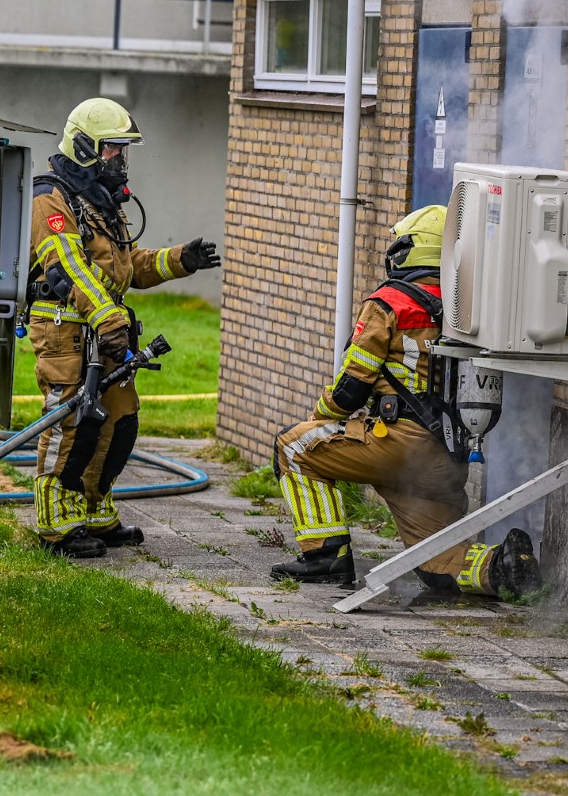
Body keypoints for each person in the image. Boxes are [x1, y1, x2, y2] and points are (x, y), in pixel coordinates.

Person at [270, 205, 541, 598]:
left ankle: (324, 558)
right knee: (436, 564)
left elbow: (351, 386)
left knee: (292, 447)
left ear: (414, 249)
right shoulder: (469, 303)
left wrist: (318, 423)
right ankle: (502, 566)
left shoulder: (389, 303)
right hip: (447, 458)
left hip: (395, 447)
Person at [27, 97, 221, 558]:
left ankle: (95, 512)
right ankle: (56, 525)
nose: (121, 160)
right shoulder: (51, 197)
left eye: (123, 150)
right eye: (113, 149)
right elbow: (69, 268)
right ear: (85, 147)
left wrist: (179, 261)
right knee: (71, 424)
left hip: (104, 332)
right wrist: (109, 317)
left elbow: (126, 264)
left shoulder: (100, 201)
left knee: (118, 424)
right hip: (66, 330)